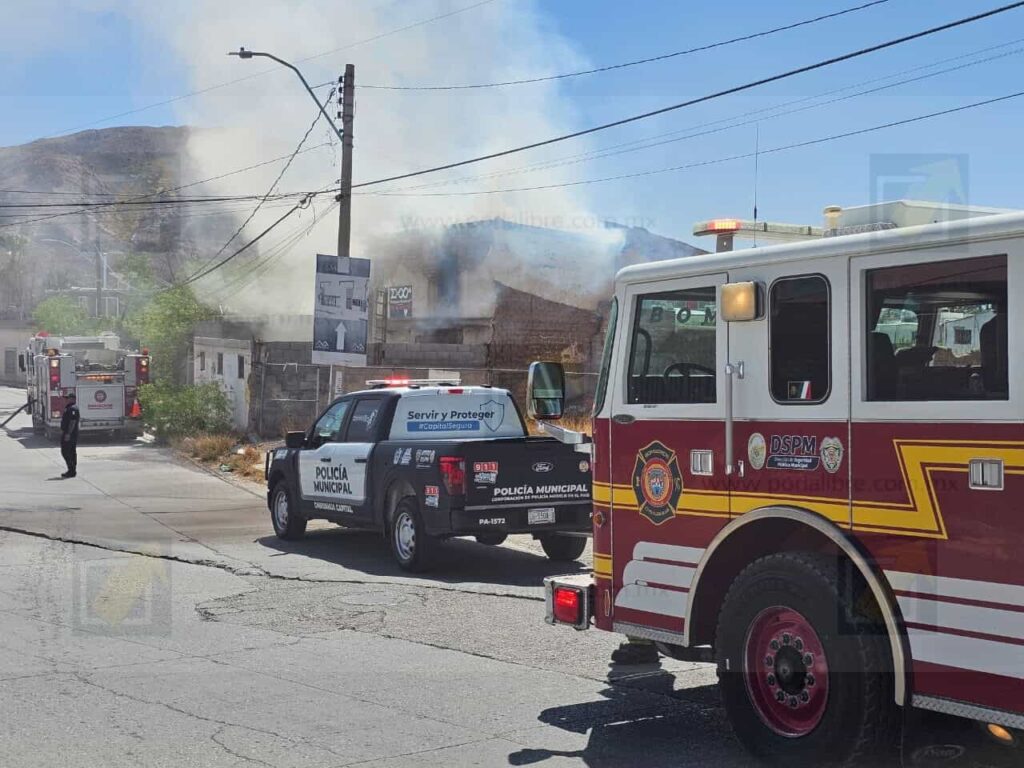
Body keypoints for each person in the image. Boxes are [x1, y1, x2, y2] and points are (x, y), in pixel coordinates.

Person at [60, 392, 80, 478]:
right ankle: (72, 470)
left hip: (70, 434)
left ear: (73, 399)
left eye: (68, 398)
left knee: (66, 452)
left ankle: (71, 470)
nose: (66, 400)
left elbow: (72, 422)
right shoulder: (69, 407)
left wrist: (68, 433)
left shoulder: (73, 408)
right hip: (69, 433)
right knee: (71, 452)